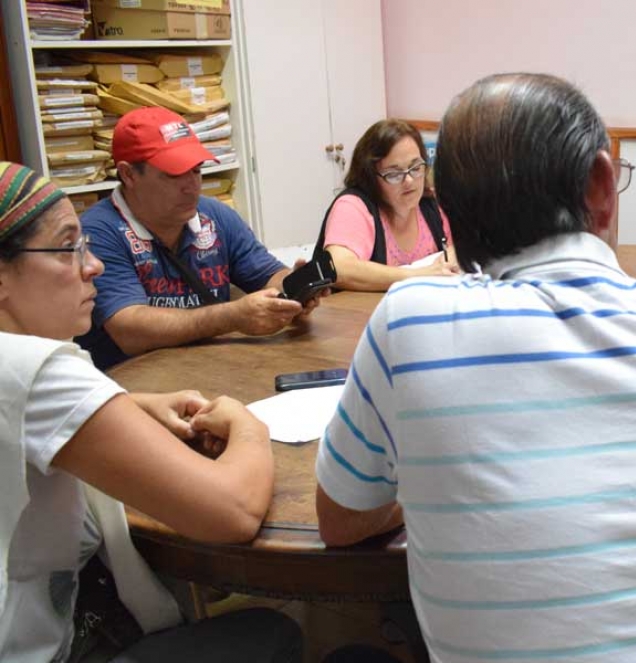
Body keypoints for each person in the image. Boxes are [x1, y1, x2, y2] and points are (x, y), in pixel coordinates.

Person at [315, 73, 636, 661]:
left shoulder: (410, 323)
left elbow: (340, 522)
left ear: (449, 210)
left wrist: (443, 480)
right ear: (604, 187)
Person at [0, 161, 302, 661]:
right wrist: (249, 426)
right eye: (68, 246)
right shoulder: (38, 370)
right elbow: (233, 512)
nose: (91, 265)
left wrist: (130, 406)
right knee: (274, 634)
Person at [76, 106, 320, 370]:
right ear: (129, 175)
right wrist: (232, 316)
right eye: (173, 174)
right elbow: (130, 329)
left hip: (214, 370)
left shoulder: (215, 215)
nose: (191, 186)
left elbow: (266, 274)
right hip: (132, 385)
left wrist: (295, 289)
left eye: (196, 170)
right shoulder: (98, 232)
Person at [320, 119, 460, 291]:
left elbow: (464, 244)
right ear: (371, 177)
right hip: (360, 314)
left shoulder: (430, 203)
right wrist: (417, 276)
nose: (409, 181)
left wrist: (452, 257)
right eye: (394, 174)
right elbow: (338, 267)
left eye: (415, 167)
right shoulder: (353, 206)